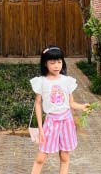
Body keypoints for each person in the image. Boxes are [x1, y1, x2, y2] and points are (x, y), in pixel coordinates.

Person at [30, 46, 89, 174]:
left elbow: (71, 103)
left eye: (59, 62)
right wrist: (40, 128)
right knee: (40, 158)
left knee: (64, 156)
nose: (56, 65)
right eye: (52, 62)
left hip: (67, 121)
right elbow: (38, 104)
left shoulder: (67, 81)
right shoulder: (41, 82)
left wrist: (82, 106)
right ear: (45, 64)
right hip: (51, 122)